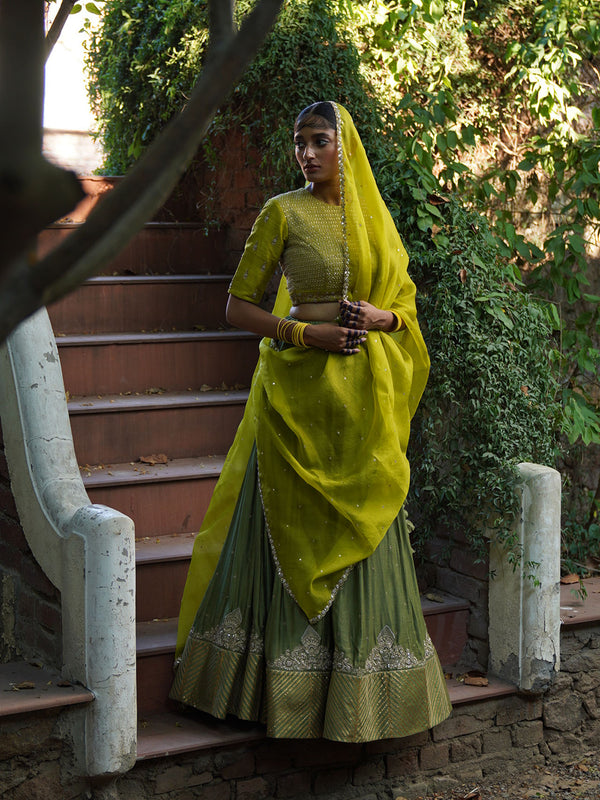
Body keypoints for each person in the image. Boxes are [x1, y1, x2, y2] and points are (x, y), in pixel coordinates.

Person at [170, 101, 452, 741]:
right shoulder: (282, 212)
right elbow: (238, 308)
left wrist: (384, 320)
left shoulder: (373, 219)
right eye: (299, 143)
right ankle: (273, 695)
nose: (307, 153)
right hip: (295, 394)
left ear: (342, 143)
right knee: (283, 525)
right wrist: (305, 333)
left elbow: (402, 303)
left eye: (319, 140)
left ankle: (369, 699)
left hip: (365, 401)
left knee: (368, 518)